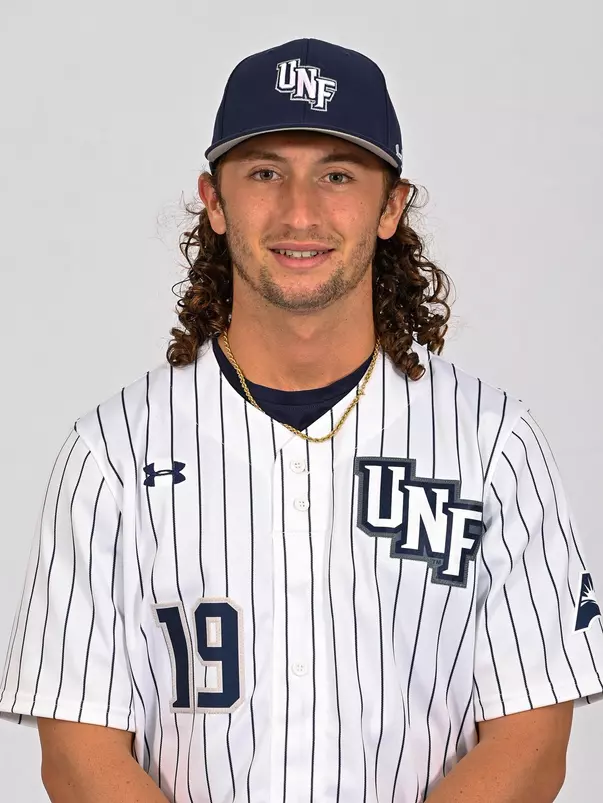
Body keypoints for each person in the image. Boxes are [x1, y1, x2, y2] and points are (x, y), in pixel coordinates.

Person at [0, 36, 602, 803]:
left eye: (337, 175)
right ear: (213, 202)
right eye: (264, 173)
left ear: (390, 207)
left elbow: (531, 739)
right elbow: (78, 754)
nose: (300, 211)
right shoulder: (112, 456)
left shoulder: (492, 447)